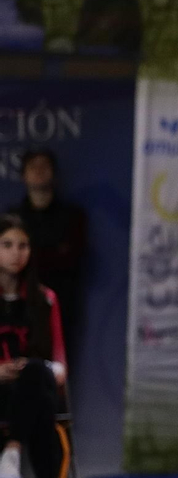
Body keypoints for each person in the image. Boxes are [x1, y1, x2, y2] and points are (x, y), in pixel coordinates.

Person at [0, 214, 72, 478]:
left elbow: (59, 364)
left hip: (32, 389)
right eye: (7, 245)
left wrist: (34, 369)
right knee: (40, 400)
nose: (17, 252)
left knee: (37, 376)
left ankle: (12, 452)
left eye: (23, 245)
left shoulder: (45, 298)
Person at [9, 148, 87, 376]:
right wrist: (53, 252)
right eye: (33, 167)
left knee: (56, 372)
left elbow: (71, 258)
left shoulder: (72, 215)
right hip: (18, 306)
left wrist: (35, 256)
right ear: (23, 175)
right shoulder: (13, 217)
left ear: (54, 173)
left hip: (61, 305)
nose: (39, 172)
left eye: (45, 166)